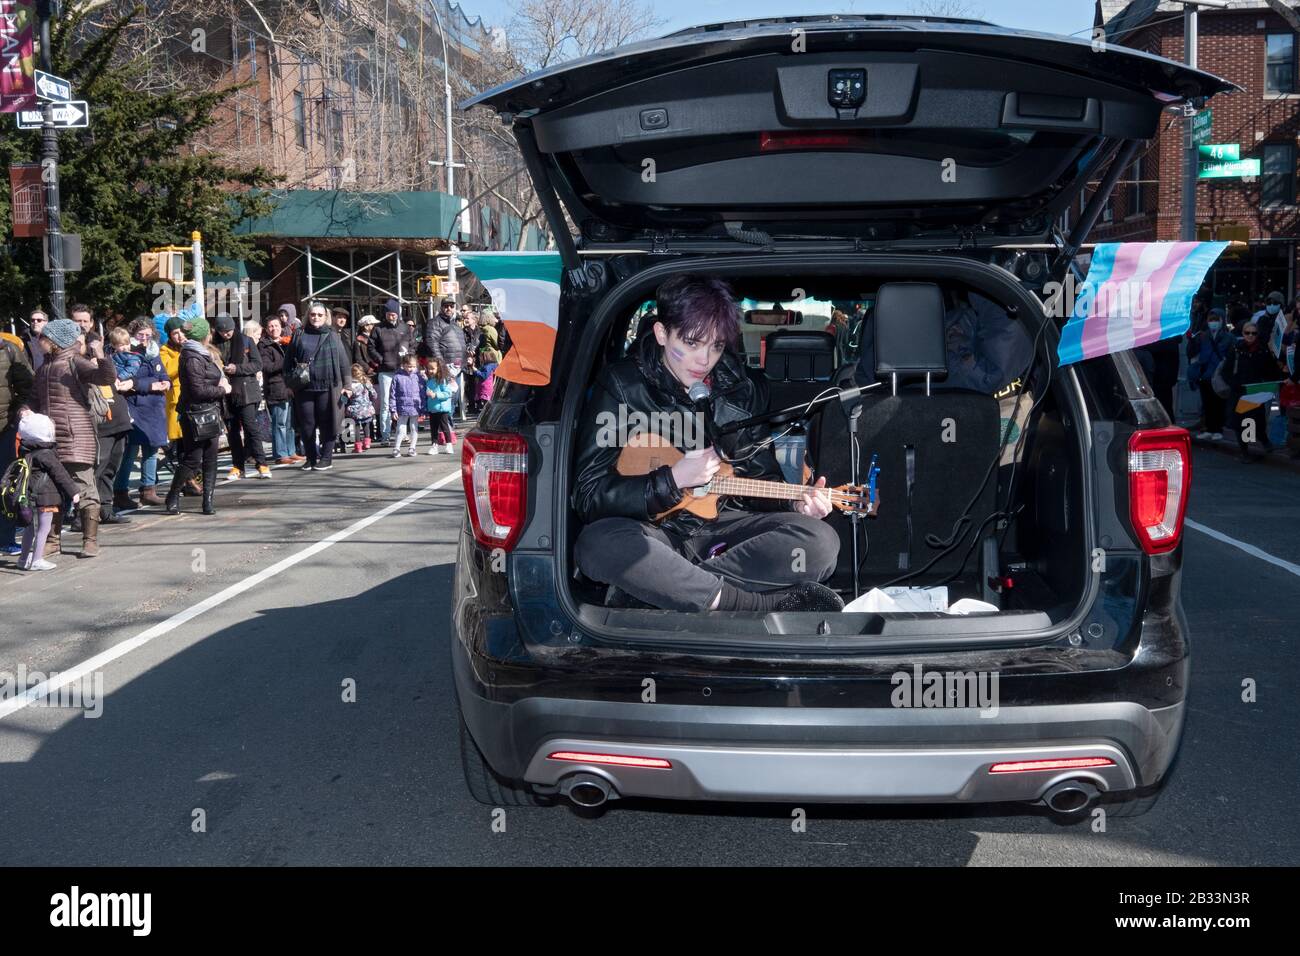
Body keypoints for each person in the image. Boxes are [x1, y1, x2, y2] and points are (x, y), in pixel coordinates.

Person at [572, 275, 843, 613]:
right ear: (661, 333)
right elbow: (587, 494)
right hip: (652, 533)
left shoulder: (739, 389)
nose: (704, 359)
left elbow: (760, 481)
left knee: (821, 543)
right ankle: (746, 605)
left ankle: (665, 589)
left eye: (715, 346)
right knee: (597, 545)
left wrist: (794, 505)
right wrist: (672, 480)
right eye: (691, 343)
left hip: (723, 531)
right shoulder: (622, 385)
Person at [25, 317, 115, 557]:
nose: (40, 341)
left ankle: (90, 540)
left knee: (84, 487)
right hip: (49, 439)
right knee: (49, 490)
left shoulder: (75, 362)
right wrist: (25, 410)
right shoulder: (44, 367)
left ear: (54, 341)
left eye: (44, 337)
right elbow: (34, 397)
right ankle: (53, 541)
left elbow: (105, 378)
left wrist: (101, 355)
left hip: (76, 437)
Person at [165, 317, 229, 515]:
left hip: (210, 411)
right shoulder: (192, 356)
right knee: (193, 458)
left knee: (211, 457)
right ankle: (173, 495)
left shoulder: (203, 353)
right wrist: (223, 390)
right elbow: (198, 390)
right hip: (195, 413)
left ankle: (208, 501)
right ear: (204, 335)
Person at [111, 319, 171, 510]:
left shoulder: (154, 352)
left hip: (155, 406)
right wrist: (149, 385)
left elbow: (162, 375)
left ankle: (149, 490)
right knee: (130, 451)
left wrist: (165, 382)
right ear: (132, 335)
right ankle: (120, 492)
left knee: (152, 449)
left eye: (147, 334)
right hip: (135, 405)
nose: (144, 338)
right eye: (140, 335)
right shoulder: (124, 354)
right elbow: (127, 380)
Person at [289, 302, 352, 471]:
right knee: (307, 424)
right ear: (308, 316)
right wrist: (289, 382)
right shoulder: (299, 334)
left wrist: (348, 385)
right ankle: (310, 458)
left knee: (327, 422)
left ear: (326, 317)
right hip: (304, 387)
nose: (315, 317)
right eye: (313, 314)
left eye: (319, 315)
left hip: (329, 386)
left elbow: (344, 363)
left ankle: (326, 457)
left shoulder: (332, 335)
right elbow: (288, 361)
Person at [14, 412, 80, 571]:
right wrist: (73, 492)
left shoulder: (25, 450)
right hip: (46, 496)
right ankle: (37, 559)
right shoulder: (46, 454)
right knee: (44, 528)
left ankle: (23, 559)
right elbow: (60, 474)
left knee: (29, 529)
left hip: (29, 495)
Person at [212, 314, 269, 480]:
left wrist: (237, 369)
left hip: (245, 391)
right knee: (232, 431)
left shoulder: (246, 341)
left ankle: (262, 463)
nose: (226, 334)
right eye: (222, 332)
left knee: (251, 428)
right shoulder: (214, 344)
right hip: (225, 393)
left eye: (229, 331)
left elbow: (257, 364)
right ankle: (238, 466)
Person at [92, 327, 137, 525]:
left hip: (119, 418)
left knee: (111, 467)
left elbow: (128, 374)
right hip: (100, 422)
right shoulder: (81, 361)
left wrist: (133, 381)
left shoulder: (110, 358)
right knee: (96, 469)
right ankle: (85, 515)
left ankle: (106, 509)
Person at [1223, 321, 1284, 463]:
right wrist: (1234, 384)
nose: (1250, 336)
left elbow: (1271, 369)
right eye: (1247, 333)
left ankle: (1264, 442)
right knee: (1241, 422)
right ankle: (1245, 451)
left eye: (1253, 333)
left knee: (1257, 419)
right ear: (1243, 333)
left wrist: (1276, 380)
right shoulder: (1236, 349)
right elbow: (1226, 370)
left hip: (1255, 390)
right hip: (1239, 391)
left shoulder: (1262, 350)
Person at [1, 328, 35, 555]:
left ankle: (5, 537)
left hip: (4, 426)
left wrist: (17, 410)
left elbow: (27, 384)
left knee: (6, 483)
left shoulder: (8, 348)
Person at [368, 298, 413, 444]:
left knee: (403, 402)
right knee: (385, 403)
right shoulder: (378, 329)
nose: (391, 316)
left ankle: (402, 433)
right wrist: (381, 359)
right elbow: (371, 347)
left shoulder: (405, 328)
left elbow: (413, 345)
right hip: (385, 371)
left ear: (398, 313)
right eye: (388, 313)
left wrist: (408, 358)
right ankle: (385, 435)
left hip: (403, 370)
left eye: (393, 313)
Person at [259, 314, 299, 464]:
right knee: (279, 423)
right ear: (266, 329)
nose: (274, 328)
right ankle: (280, 454)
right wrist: (286, 361)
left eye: (276, 325)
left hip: (289, 387)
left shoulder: (286, 342)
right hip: (275, 388)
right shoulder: (264, 345)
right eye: (270, 326)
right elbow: (267, 367)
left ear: (281, 327)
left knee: (290, 424)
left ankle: (291, 451)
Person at [1189, 307, 1233, 440]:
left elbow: (1231, 355)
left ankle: (1218, 429)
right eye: (1211, 319)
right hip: (1205, 374)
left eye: (1216, 319)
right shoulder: (1203, 336)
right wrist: (1191, 340)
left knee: (1218, 403)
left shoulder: (1228, 337)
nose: (1213, 322)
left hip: (1219, 375)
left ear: (1222, 320)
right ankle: (1208, 428)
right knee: (1207, 403)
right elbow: (1193, 352)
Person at [428, 297, 468, 421]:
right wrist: (442, 365)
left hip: (458, 368)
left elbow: (462, 345)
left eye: (451, 306)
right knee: (445, 399)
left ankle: (447, 428)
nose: (449, 308)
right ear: (441, 307)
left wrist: (465, 361)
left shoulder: (456, 325)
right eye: (446, 306)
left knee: (454, 399)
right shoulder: (435, 323)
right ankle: (445, 429)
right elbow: (432, 344)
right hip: (445, 367)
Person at [388, 354, 424, 458]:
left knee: (414, 427)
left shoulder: (419, 377)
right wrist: (393, 410)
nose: (411, 369)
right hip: (402, 407)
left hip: (415, 407)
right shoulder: (397, 377)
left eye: (413, 366)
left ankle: (412, 447)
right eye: (409, 366)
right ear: (403, 365)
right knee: (401, 428)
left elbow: (422, 393)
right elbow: (392, 395)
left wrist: (423, 408)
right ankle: (396, 448)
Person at [424, 357, 455, 454]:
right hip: (432, 408)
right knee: (433, 428)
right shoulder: (429, 380)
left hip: (442, 409)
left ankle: (449, 444)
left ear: (439, 368)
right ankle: (434, 445)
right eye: (429, 368)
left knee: (445, 427)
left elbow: (448, 393)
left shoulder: (443, 380)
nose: (430, 371)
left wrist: (436, 395)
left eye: (433, 368)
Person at [345, 364, 376, 454]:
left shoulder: (349, 385)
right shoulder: (366, 382)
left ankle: (358, 447)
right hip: (366, 408)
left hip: (355, 410)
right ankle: (367, 442)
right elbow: (374, 394)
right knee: (366, 425)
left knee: (357, 428)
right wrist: (371, 400)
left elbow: (345, 398)